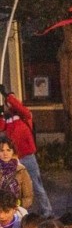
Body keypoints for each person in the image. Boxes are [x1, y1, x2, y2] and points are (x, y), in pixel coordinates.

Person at [0, 86, 52, 216]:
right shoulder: (7, 118)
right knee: (15, 186)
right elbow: (1, 127)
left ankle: (47, 211)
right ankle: (17, 211)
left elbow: (19, 106)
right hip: (14, 157)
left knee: (36, 184)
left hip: (28, 156)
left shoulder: (24, 114)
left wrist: (7, 95)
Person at [0, 137, 33, 210]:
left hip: (16, 210)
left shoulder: (21, 170)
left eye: (8, 150)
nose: (5, 153)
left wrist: (18, 205)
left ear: (13, 151)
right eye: (2, 150)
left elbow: (28, 196)